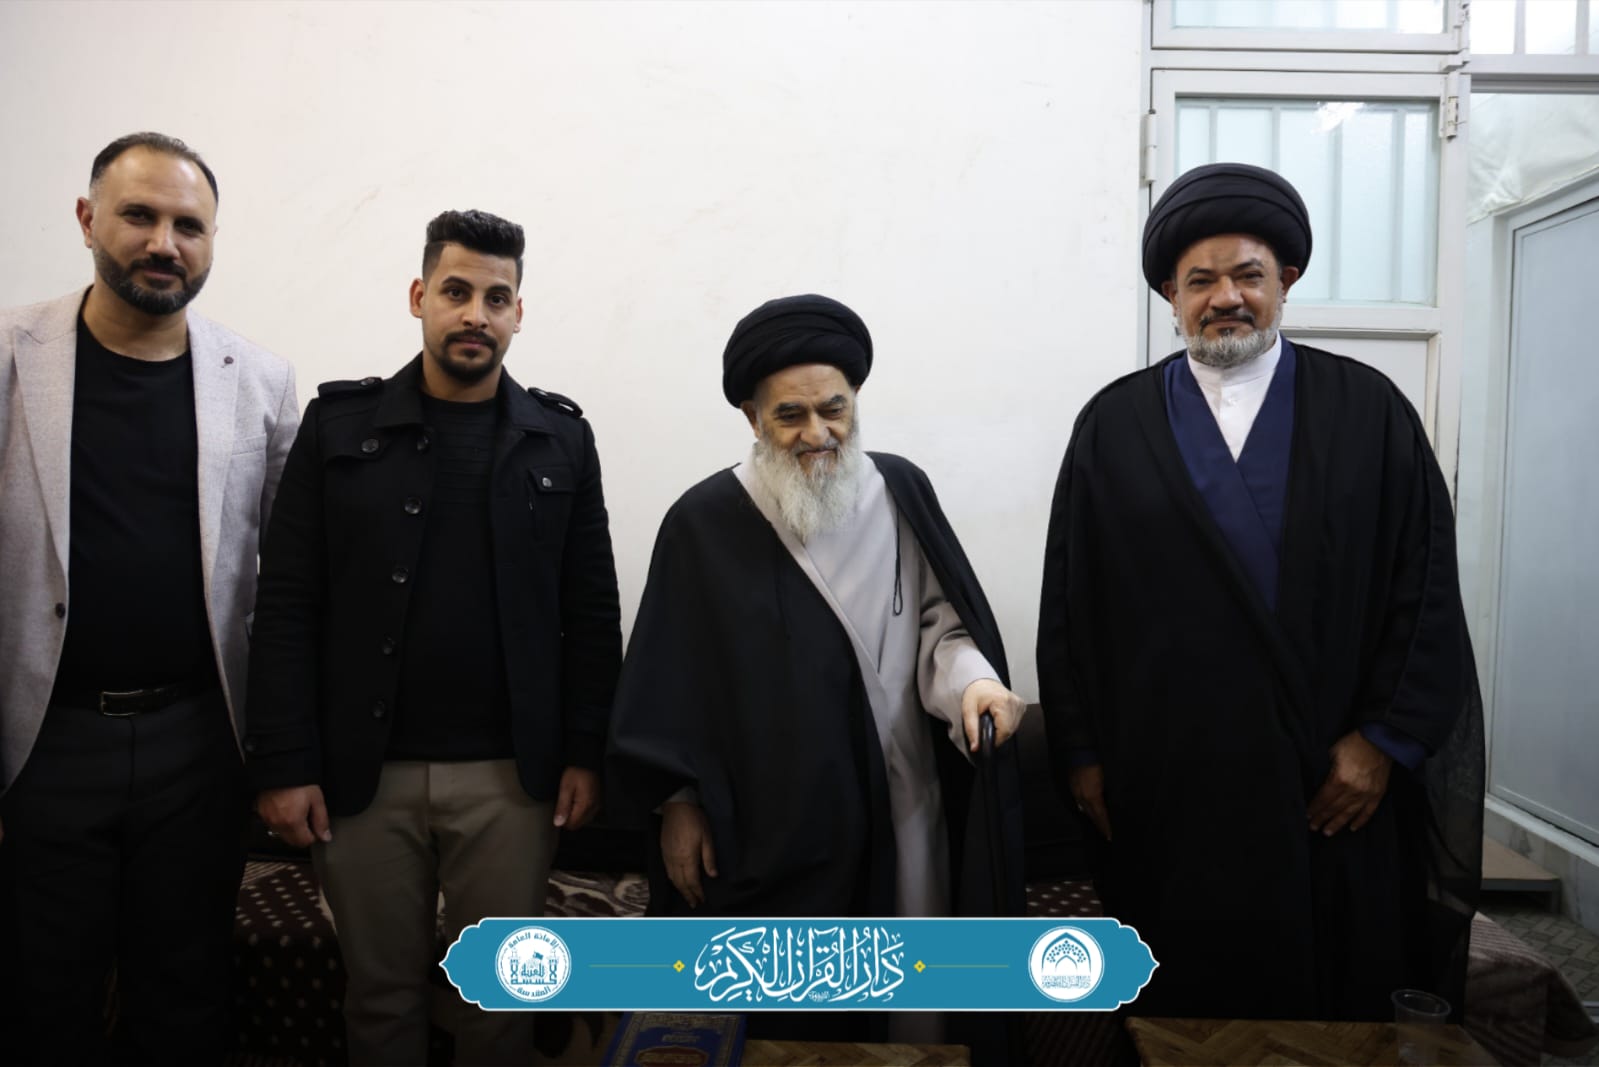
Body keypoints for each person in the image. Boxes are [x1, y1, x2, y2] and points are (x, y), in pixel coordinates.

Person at [1037, 162, 1484, 1021]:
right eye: (1199, 281)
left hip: (1329, 784)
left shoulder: (1369, 411)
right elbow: (1070, 604)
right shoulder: (1113, 424)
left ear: (1286, 279)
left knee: (1330, 994)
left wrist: (1381, 743)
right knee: (1181, 1000)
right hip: (1168, 783)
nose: (1226, 298)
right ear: (1169, 295)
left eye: (1247, 275)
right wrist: (1082, 752)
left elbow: (1423, 586)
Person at [244, 209, 622, 1065]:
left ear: (518, 312)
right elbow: (288, 601)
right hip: (361, 776)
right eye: (456, 291)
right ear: (419, 296)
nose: (475, 314)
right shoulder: (337, 428)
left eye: (497, 297)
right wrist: (283, 762)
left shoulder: (561, 439)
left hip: (511, 780)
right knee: (379, 998)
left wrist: (585, 751)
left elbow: (591, 610)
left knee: (501, 1002)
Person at [607, 294, 1027, 1051]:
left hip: (904, 802)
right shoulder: (704, 521)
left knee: (907, 1008)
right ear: (751, 418)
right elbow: (670, 684)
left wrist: (975, 682)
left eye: (834, 409)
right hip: (771, 826)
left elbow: (941, 626)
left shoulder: (899, 492)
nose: (817, 433)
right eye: (790, 416)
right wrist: (677, 804)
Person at [0, 132, 300, 1062]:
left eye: (188, 225)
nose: (164, 243)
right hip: (45, 740)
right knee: (45, 998)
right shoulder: (10, 355)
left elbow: (290, 584)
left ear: (211, 241)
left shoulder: (261, 382)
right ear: (87, 219)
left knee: (185, 996)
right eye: (139, 215)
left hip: (197, 745)